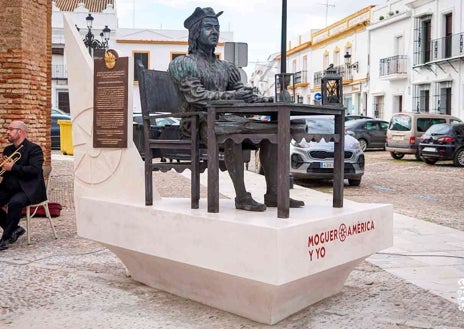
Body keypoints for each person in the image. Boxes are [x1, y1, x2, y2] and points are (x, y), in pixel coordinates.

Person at [168, 7, 304, 211]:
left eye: (216, 27)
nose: (214, 31)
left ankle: (275, 193)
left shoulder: (227, 67)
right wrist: (233, 96)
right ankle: (241, 196)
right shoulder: (183, 64)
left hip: (227, 121)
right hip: (197, 124)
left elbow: (241, 92)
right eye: (208, 27)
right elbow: (197, 96)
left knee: (275, 131)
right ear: (196, 32)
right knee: (232, 134)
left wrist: (262, 100)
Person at [0, 121, 47, 250]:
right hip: (9, 187)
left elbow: (34, 171)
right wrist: (5, 167)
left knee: (15, 203)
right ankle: (14, 229)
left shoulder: (34, 149)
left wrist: (13, 167)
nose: (7, 132)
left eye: (10, 129)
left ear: (19, 132)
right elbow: (5, 172)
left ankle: (5, 238)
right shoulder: (8, 149)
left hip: (28, 188)